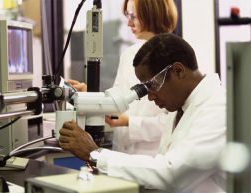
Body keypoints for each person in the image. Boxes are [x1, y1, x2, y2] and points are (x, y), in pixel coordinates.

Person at [59, 33, 226, 193]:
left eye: (152, 86)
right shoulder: (181, 106)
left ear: (178, 71)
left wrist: (95, 154)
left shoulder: (218, 108)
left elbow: (171, 173)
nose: (151, 97)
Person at [67, 0, 178, 155]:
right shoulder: (130, 54)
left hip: (153, 156)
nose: (128, 23)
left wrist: (130, 123)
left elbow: (175, 122)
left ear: (152, 14)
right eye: (127, 16)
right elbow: (120, 98)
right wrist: (91, 94)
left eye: (133, 16)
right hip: (122, 153)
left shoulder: (177, 58)